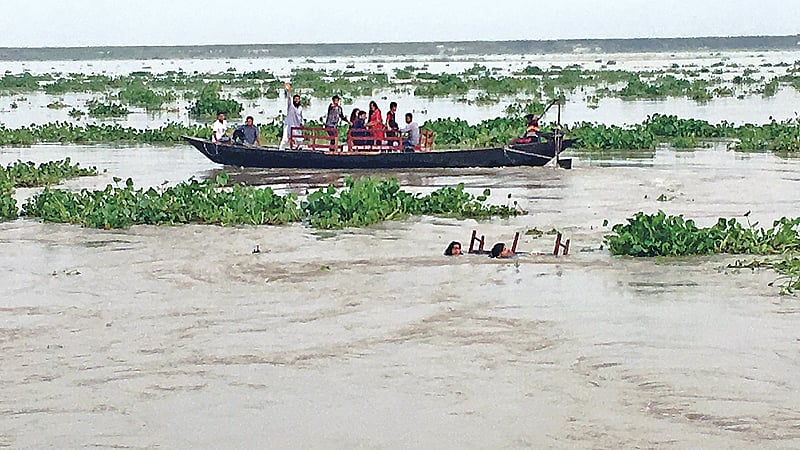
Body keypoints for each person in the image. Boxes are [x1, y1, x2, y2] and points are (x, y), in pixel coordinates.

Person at [280, 82, 304, 149]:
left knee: (299, 141)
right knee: (285, 140)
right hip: (289, 125)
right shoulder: (291, 106)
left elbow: (301, 117)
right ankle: (280, 151)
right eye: (295, 99)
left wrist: (302, 123)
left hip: (297, 125)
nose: (296, 100)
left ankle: (297, 150)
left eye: (298, 99)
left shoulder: (300, 108)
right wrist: (288, 91)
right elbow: (289, 98)